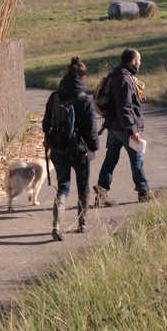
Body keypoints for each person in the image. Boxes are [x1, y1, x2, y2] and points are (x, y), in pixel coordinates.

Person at [42, 57, 99, 241]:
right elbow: (91, 131)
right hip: (80, 151)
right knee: (83, 187)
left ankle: (57, 226)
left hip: (58, 150)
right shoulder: (85, 100)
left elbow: (45, 125)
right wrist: (94, 146)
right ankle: (82, 224)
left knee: (63, 187)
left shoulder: (55, 96)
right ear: (83, 78)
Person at [93, 48, 155, 207]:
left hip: (113, 126)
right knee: (137, 158)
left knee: (111, 159)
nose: (140, 63)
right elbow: (125, 107)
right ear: (133, 61)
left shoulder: (115, 75)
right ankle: (143, 191)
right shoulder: (124, 80)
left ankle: (101, 192)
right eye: (139, 60)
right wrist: (132, 130)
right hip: (123, 127)